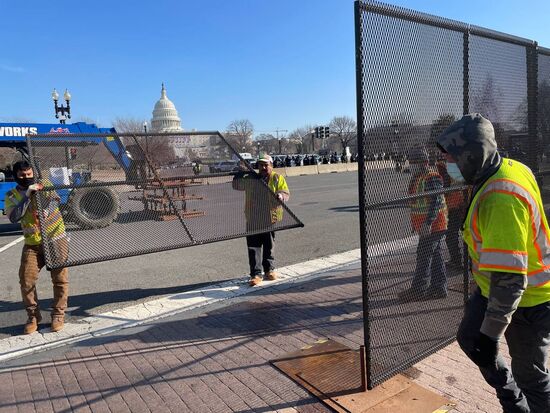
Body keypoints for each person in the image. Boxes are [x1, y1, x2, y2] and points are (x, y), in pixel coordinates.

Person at [437, 113, 550, 412]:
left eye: (454, 157)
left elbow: (511, 281)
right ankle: (512, 401)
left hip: (528, 302)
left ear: (473, 155)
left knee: (532, 379)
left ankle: (521, 405)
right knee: (470, 339)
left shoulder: (500, 199)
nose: (449, 164)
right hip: (494, 291)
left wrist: (491, 334)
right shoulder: (505, 168)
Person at [4, 160, 69, 334]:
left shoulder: (44, 185)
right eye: (22, 175)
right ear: (16, 176)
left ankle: (58, 314)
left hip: (55, 237)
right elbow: (14, 217)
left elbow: (55, 199)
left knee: (60, 278)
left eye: (29, 173)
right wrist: (27, 194)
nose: (26, 177)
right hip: (32, 243)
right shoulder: (11, 195)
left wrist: (48, 207)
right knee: (26, 280)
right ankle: (33, 316)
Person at [398, 147, 448, 302]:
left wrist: (428, 222)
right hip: (429, 226)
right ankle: (439, 288)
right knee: (436, 255)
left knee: (424, 256)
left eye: (414, 162)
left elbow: (436, 201)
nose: (411, 165)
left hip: (433, 225)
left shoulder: (431, 177)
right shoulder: (418, 176)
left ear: (425, 162)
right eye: (410, 162)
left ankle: (419, 289)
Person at [232, 154, 290, 286]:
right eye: (260, 165)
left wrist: (281, 195)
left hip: (270, 217)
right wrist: (240, 173)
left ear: (271, 165)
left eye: (266, 165)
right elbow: (236, 185)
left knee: (269, 245)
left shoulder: (277, 177)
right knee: (253, 247)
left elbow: (285, 191)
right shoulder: (252, 178)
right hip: (253, 217)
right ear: (257, 166)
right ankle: (256, 273)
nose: (263, 167)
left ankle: (269, 270)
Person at [436, 156, 465, 269]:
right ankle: (468, 260)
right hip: (463, 202)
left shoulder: (443, 166)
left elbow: (445, 185)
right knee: (465, 233)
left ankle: (456, 260)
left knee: (451, 235)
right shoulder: (462, 164)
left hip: (453, 205)